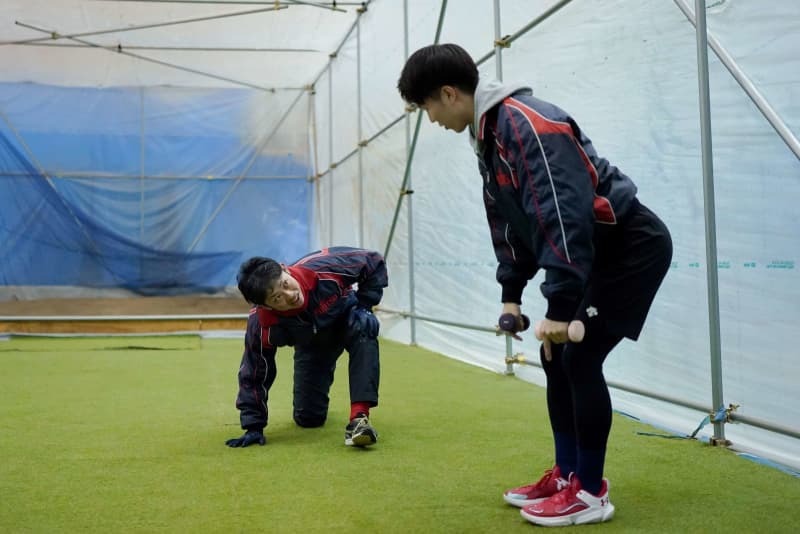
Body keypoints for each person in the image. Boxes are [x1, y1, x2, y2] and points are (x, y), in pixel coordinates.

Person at [398, 44, 672, 526]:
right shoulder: (488, 137)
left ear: (448, 93)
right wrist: (512, 295)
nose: (431, 119)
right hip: (592, 254)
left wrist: (561, 306)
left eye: (427, 108)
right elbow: (510, 224)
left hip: (631, 249)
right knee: (554, 357)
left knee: (580, 357)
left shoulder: (524, 123)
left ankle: (589, 493)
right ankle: (567, 473)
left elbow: (561, 216)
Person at [225, 246, 387, 449]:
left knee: (364, 323)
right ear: (265, 306)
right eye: (277, 298)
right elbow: (254, 371)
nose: (290, 294)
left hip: (347, 320)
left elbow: (373, 261)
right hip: (313, 345)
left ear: (285, 269)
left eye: (285, 283)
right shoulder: (262, 324)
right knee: (308, 419)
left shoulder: (325, 267)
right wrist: (253, 426)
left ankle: (359, 418)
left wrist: (365, 305)